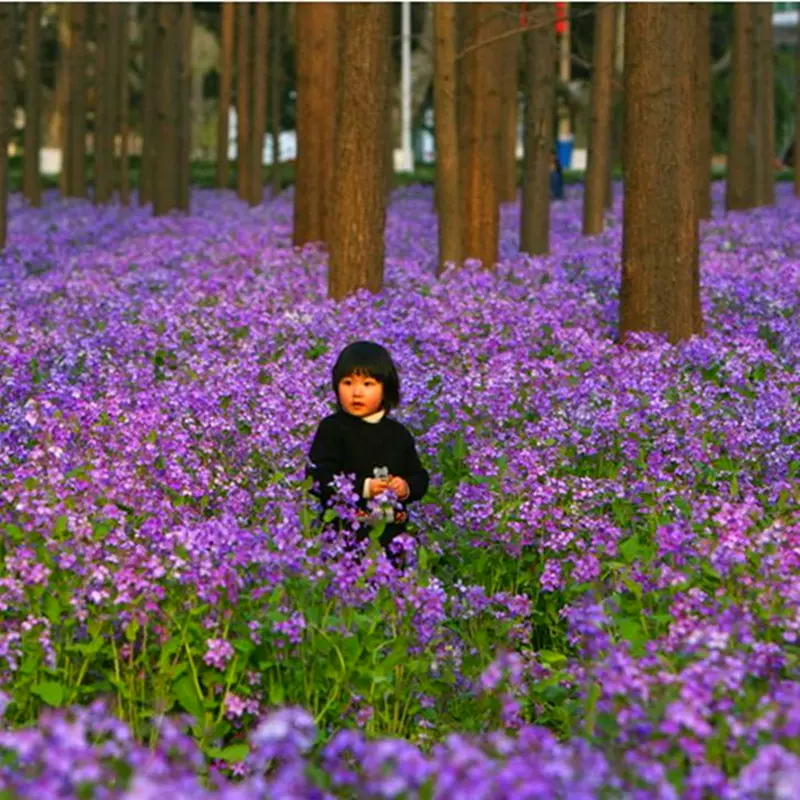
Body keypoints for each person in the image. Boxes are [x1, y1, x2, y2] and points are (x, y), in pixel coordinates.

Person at [306, 341, 429, 565]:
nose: (356, 392)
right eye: (347, 383)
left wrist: (405, 488)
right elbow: (317, 477)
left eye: (368, 383)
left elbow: (419, 477)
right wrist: (364, 488)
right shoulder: (332, 429)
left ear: (386, 389)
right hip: (342, 542)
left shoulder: (398, 434)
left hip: (391, 542)